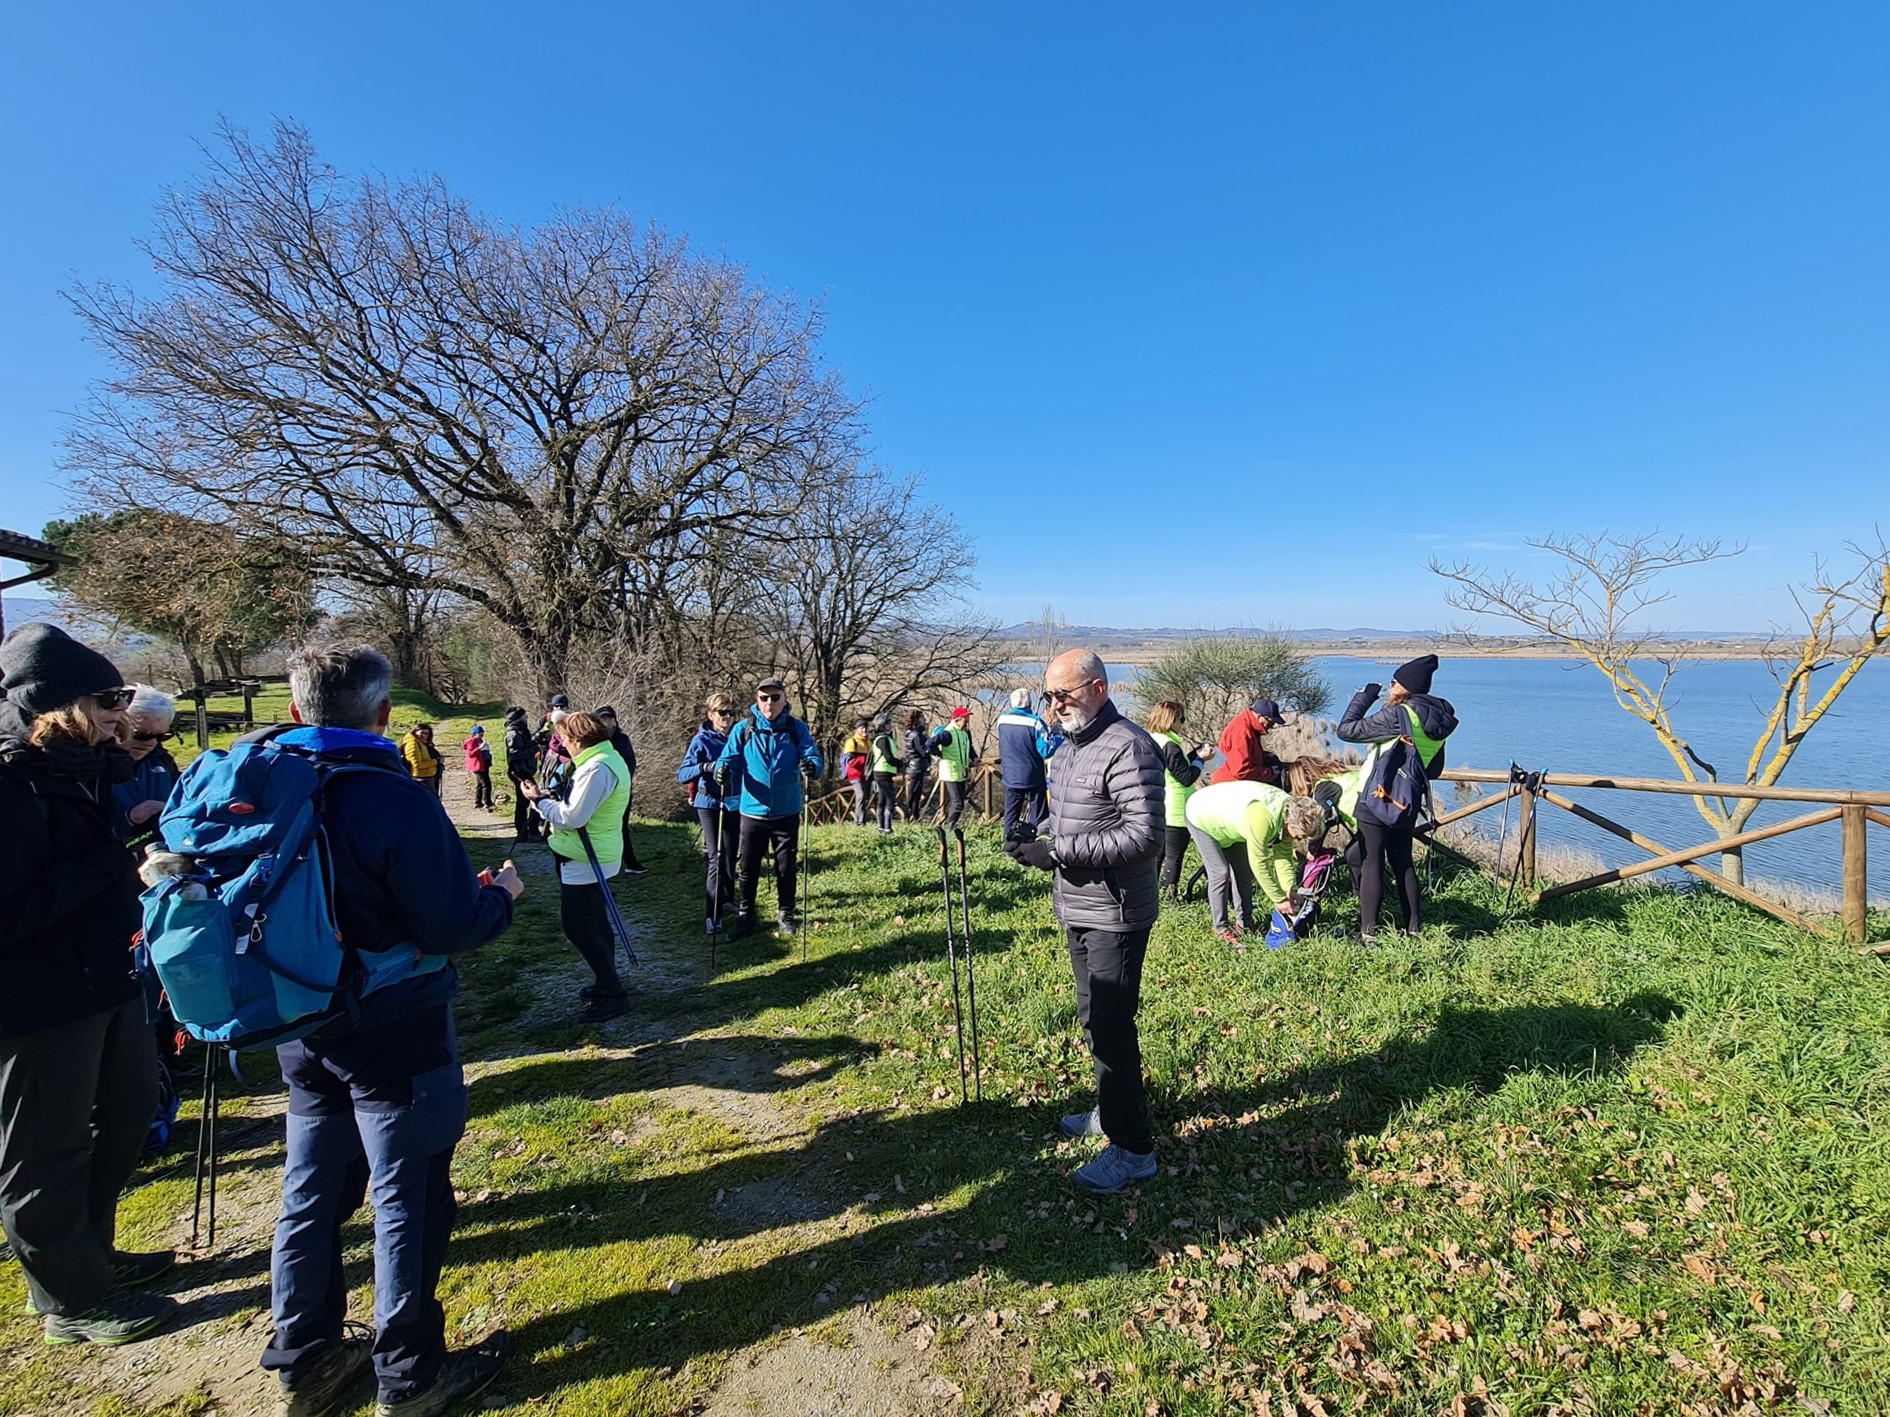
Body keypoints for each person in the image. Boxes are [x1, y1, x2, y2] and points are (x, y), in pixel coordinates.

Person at [257, 642, 521, 1416]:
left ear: (298, 711)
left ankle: (303, 1359)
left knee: (310, 1190)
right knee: (407, 1195)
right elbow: (448, 925)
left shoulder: (264, 786)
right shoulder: (393, 796)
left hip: (298, 1022)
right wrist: (500, 894)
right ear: (383, 716)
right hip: (394, 1027)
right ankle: (409, 1377)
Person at [0, 625, 175, 1347]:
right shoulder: (11, 783)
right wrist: (108, 862)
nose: (120, 711)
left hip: (105, 976)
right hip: (35, 999)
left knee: (131, 1110)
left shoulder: (83, 769)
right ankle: (68, 1299)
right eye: (108, 697)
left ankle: (92, 1253)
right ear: (55, 703)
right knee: (45, 1147)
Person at [1004, 650, 1163, 1194]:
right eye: (1048, 695)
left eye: (1062, 695)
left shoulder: (1130, 746)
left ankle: (1133, 1148)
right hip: (1079, 904)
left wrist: (1059, 851)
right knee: (1094, 1017)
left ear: (1097, 687)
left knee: (1112, 1026)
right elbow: (1067, 811)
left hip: (1116, 912)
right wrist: (1034, 830)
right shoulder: (1072, 746)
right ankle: (1110, 1110)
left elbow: (1144, 837)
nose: (1053, 705)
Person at [1335, 654, 1458, 942]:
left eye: (1393, 682)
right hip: (1408, 800)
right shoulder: (1438, 720)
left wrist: (1365, 696)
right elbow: (1435, 768)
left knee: (1372, 861)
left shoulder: (1399, 714)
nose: (1390, 688)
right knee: (1403, 861)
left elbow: (1346, 730)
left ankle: (1368, 934)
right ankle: (1413, 929)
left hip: (1376, 798)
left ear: (1404, 686)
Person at [519, 712, 633, 1020]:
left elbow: (573, 817)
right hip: (594, 852)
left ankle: (613, 991)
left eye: (565, 740)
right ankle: (606, 981)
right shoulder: (608, 758)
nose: (563, 745)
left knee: (579, 926)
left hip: (587, 857)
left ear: (580, 740)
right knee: (594, 921)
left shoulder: (596, 769)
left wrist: (538, 801)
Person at [714, 676, 825, 939]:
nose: (769, 703)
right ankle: (746, 916)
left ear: (785, 699)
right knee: (748, 868)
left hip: (786, 811)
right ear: (757, 700)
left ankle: (786, 913)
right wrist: (722, 771)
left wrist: (812, 767)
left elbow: (812, 756)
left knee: (785, 867)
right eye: (764, 698)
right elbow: (727, 759)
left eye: (775, 697)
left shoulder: (796, 730)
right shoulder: (744, 729)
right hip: (752, 811)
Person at [1183, 780, 1327, 946]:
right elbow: (1259, 862)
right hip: (1201, 814)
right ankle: (1220, 929)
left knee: (1243, 872)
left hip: (1230, 824)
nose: (1300, 839)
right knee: (1220, 873)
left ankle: (1244, 924)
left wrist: (1289, 889)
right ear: (1289, 823)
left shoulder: (1288, 814)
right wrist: (1279, 899)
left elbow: (1283, 857)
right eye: (1300, 835)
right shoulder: (1263, 817)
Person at [677, 694, 740, 933]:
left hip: (734, 802)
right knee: (716, 856)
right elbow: (682, 774)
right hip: (709, 802)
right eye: (722, 713)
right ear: (711, 714)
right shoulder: (701, 741)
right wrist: (706, 767)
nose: (727, 718)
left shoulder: (740, 738)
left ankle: (727, 899)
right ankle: (712, 914)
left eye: (730, 713)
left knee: (731, 855)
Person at [1143, 701, 1211, 902]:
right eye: (1181, 719)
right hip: (1176, 808)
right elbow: (1186, 777)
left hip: (1157, 804)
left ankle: (1150, 893)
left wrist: (1193, 755)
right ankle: (1168, 895)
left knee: (1156, 854)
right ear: (1171, 720)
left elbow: (1174, 766)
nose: (1183, 724)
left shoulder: (1152, 739)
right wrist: (1200, 761)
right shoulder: (1171, 746)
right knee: (1174, 855)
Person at [111, 683, 181, 852]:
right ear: (116, 725)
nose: (151, 743)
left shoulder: (162, 761)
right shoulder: (90, 767)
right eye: (141, 735)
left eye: (161, 736)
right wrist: (128, 819)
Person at [995, 688, 1060, 839]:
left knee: (1011, 814)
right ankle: (1035, 842)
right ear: (1029, 703)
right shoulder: (1035, 723)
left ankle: (1009, 844)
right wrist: (1058, 738)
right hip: (1032, 777)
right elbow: (1046, 750)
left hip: (1010, 776)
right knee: (1037, 814)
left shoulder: (1002, 721)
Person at [593, 707, 647, 875]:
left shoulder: (622, 739)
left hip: (621, 791)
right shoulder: (592, 740)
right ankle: (600, 863)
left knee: (621, 827)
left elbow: (631, 762)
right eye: (604, 719)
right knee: (600, 828)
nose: (608, 723)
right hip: (599, 791)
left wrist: (622, 781)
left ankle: (629, 861)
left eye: (610, 719)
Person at [1209, 698, 1284, 786]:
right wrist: (1270, 773)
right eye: (1271, 722)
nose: (1271, 726)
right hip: (1231, 787)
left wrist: (1265, 756)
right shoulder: (1242, 731)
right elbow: (1240, 770)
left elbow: (1246, 754)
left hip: (1233, 784)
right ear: (1260, 716)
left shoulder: (1249, 728)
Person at [928, 707, 979, 828]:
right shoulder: (948, 733)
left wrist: (975, 758)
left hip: (960, 771)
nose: (968, 720)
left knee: (959, 801)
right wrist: (939, 754)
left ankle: (949, 825)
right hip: (950, 772)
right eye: (966, 717)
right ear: (958, 719)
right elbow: (929, 743)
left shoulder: (964, 733)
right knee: (958, 803)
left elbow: (968, 747)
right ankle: (950, 827)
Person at [502, 707, 540, 844]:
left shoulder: (520, 731)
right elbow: (516, 755)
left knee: (525, 802)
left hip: (524, 770)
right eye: (525, 716)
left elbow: (524, 747)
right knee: (531, 800)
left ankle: (526, 832)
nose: (527, 718)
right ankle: (528, 832)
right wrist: (536, 748)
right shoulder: (514, 733)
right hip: (520, 771)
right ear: (519, 717)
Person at [868, 713, 900, 834]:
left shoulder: (882, 738)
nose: (890, 725)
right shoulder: (882, 739)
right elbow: (889, 758)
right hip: (883, 772)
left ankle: (882, 828)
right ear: (882, 725)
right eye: (888, 723)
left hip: (883, 772)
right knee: (890, 801)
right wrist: (900, 763)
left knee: (882, 801)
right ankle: (887, 828)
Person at [900, 708, 931, 824]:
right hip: (917, 767)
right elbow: (923, 751)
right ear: (917, 720)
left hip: (912, 766)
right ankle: (911, 816)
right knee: (914, 794)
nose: (924, 721)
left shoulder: (909, 734)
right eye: (922, 718)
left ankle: (912, 817)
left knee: (914, 793)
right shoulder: (916, 735)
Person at [840, 716, 872, 827]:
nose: (864, 730)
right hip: (854, 774)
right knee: (861, 795)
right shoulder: (851, 742)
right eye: (862, 728)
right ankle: (859, 822)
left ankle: (860, 820)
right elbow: (851, 761)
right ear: (857, 729)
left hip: (865, 774)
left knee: (866, 797)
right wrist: (867, 760)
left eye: (866, 728)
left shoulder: (869, 742)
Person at [401, 723, 443, 797]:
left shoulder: (421, 743)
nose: (424, 735)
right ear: (415, 732)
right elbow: (417, 764)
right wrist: (436, 761)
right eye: (422, 733)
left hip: (427, 776)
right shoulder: (413, 744)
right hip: (421, 778)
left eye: (426, 733)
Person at [462, 726, 494, 811]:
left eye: (482, 733)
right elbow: (471, 754)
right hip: (478, 766)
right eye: (479, 733)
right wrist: (480, 748)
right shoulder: (471, 742)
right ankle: (487, 803)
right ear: (474, 734)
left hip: (483, 764)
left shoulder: (479, 741)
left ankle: (478, 802)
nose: (482, 735)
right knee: (486, 784)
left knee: (480, 784)